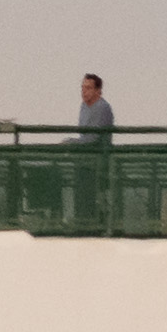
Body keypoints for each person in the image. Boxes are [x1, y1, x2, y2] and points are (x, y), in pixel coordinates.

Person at [62, 74, 113, 226]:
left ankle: (92, 225)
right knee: (81, 195)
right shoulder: (83, 106)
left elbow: (93, 137)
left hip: (97, 163)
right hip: (83, 161)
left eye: (89, 88)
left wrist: (71, 142)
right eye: (83, 88)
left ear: (98, 91)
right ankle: (81, 223)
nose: (84, 92)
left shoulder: (103, 108)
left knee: (92, 197)